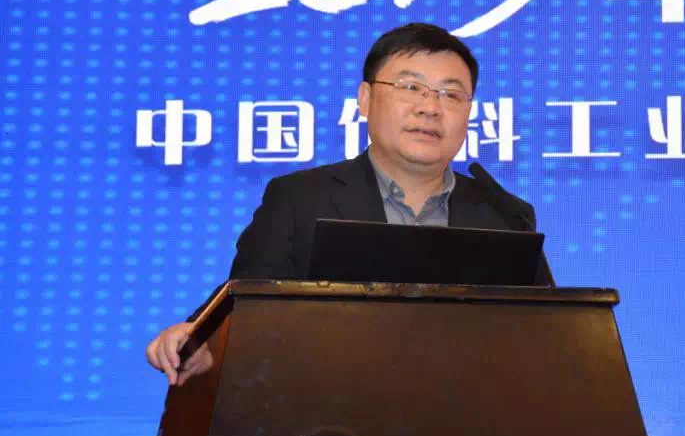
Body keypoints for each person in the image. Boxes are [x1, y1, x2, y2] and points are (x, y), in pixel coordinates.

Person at [145, 23, 552, 385]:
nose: (430, 108)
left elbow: (548, 335)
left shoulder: (505, 215)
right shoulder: (300, 199)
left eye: (451, 94)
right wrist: (198, 340)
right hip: (326, 424)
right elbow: (243, 305)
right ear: (365, 98)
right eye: (410, 88)